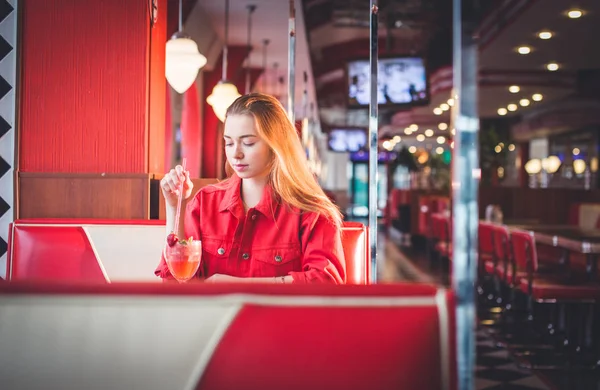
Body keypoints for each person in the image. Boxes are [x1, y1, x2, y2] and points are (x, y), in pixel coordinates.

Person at [155, 93, 346, 284]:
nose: (235, 154)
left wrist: (235, 285)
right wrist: (174, 208)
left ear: (276, 145)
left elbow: (326, 282)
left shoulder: (312, 212)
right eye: (229, 143)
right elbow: (175, 283)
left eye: (248, 143)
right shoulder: (204, 202)